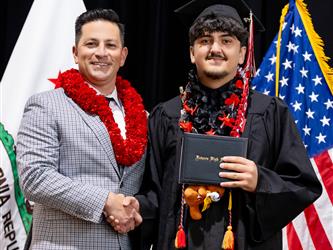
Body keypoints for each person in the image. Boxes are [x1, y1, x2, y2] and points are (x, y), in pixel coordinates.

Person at [134, 0, 322, 249]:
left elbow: (303, 185)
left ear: (242, 53)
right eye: (204, 40)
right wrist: (129, 208)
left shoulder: (270, 113)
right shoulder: (166, 116)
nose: (215, 49)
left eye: (226, 41)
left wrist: (260, 181)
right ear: (192, 52)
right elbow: (153, 193)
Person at [16, 9, 146, 249]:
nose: (101, 53)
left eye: (110, 45)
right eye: (91, 44)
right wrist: (105, 201)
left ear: (123, 55)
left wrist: (136, 207)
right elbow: (35, 177)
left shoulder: (143, 116)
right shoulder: (46, 104)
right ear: (75, 53)